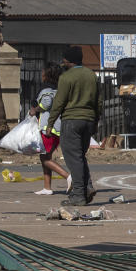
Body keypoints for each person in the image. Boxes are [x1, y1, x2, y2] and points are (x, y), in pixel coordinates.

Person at [46, 46, 100, 207]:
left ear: (68, 60)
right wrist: (96, 121)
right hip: (89, 120)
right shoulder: (92, 75)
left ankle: (78, 195)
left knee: (73, 158)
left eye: (64, 60)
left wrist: (50, 123)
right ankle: (87, 187)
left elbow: (59, 102)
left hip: (71, 120)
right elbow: (99, 101)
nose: (62, 62)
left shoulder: (66, 77)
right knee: (79, 156)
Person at [30, 62, 70, 196]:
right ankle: (47, 187)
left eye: (43, 72)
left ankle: (69, 177)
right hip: (58, 128)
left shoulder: (46, 89)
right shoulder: (59, 89)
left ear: (47, 75)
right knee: (46, 156)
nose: (41, 74)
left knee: (44, 158)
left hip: (49, 128)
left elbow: (46, 104)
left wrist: (35, 110)